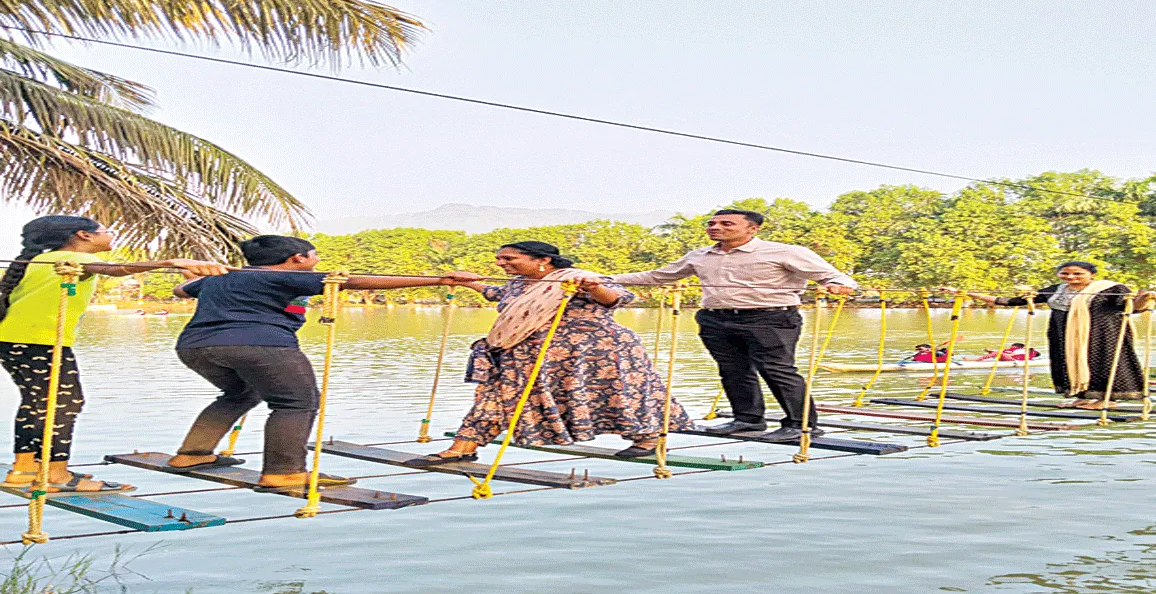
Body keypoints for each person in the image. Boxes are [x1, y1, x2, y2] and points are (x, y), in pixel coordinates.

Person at [165, 236, 460, 490]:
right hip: (261, 345)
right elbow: (353, 281)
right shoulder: (285, 275)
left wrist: (202, 276)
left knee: (241, 393)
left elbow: (181, 290)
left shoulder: (222, 276)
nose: (317, 261)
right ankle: (284, 472)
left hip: (195, 347)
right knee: (296, 403)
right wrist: (439, 279)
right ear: (298, 258)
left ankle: (192, 453)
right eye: (314, 255)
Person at [0, 215, 228, 493]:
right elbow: (116, 269)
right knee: (64, 405)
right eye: (107, 231)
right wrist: (171, 262)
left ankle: (25, 468)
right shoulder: (72, 258)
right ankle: (56, 474)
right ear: (84, 235)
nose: (111, 236)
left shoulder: (44, 260)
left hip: (14, 340)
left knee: (37, 403)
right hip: (40, 341)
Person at [419, 241, 691, 463]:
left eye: (509, 259)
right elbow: (494, 293)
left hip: (594, 354)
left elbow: (619, 298)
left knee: (619, 394)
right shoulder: (519, 283)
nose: (501, 264)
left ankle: (648, 438)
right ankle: (463, 447)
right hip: (525, 352)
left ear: (543, 260)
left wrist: (594, 287)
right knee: (498, 394)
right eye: (500, 259)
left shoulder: (577, 278)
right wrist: (466, 282)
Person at [612, 210, 857, 443]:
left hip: (770, 318)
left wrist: (839, 285)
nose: (715, 228)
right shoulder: (700, 255)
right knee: (733, 370)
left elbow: (832, 275)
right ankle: (748, 420)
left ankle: (801, 424)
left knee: (777, 370)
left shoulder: (784, 252)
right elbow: (658, 276)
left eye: (726, 224)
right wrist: (607, 279)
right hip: (715, 318)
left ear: (752, 228)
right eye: (711, 224)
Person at [956, 261, 1156, 409]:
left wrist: (1145, 298)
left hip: (1103, 333)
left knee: (1103, 362)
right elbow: (1011, 301)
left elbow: (1133, 308)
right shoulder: (1056, 290)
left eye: (1077, 274)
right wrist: (969, 293)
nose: (1071, 277)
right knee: (1066, 362)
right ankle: (1083, 396)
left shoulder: (1111, 289)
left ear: (1091, 275)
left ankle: (1108, 400)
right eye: (1065, 273)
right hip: (1063, 333)